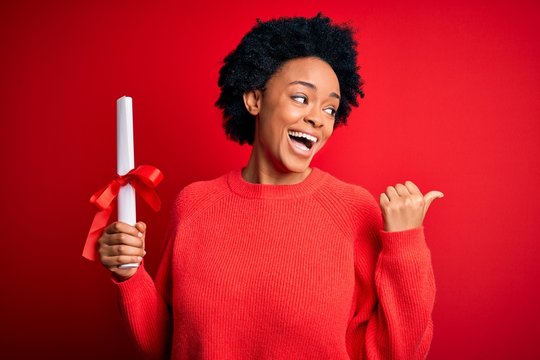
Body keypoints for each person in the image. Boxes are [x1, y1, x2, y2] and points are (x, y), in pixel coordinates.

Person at [98, 14, 443, 360]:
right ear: (254, 100)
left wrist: (405, 245)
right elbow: (168, 344)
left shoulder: (352, 209)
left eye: (329, 108)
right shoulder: (194, 204)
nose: (317, 118)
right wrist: (129, 275)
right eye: (300, 98)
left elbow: (400, 352)